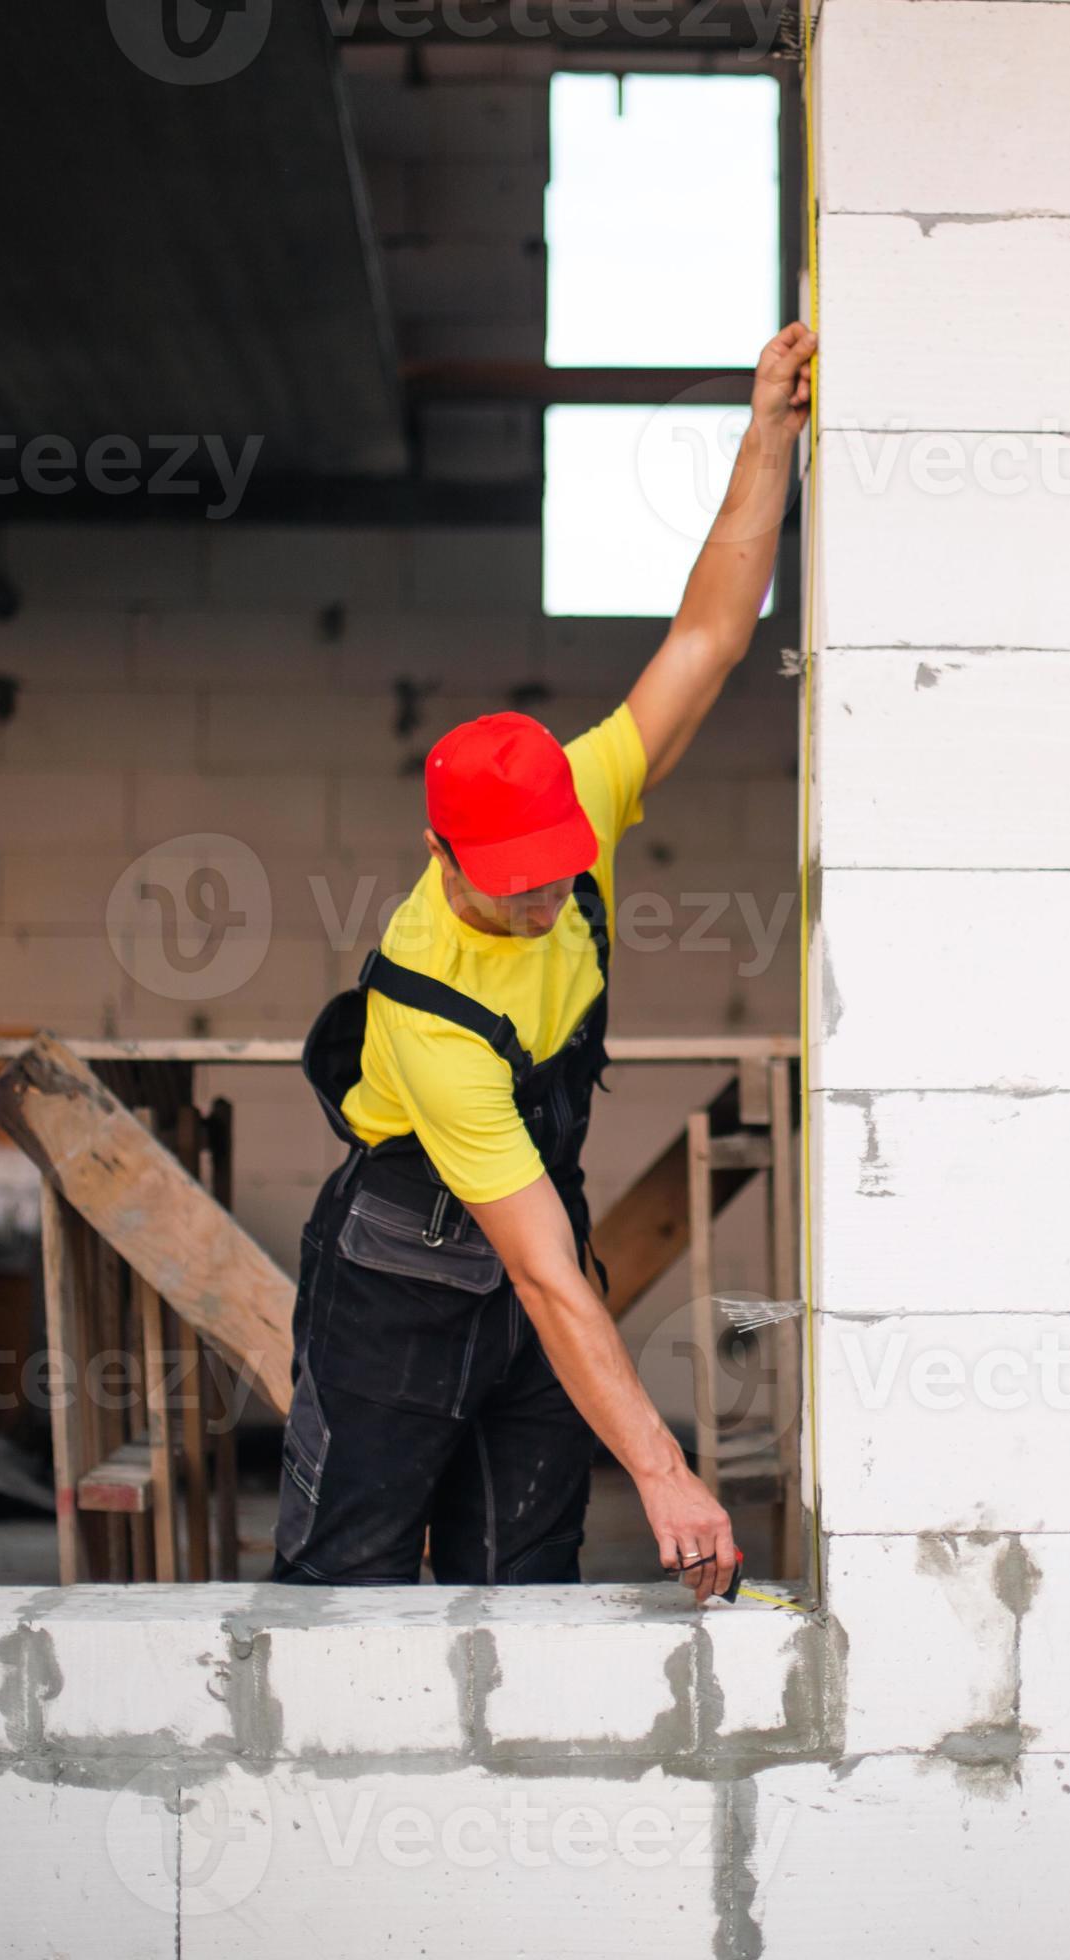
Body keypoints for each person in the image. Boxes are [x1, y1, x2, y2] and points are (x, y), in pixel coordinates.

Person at [279, 323, 816, 1600]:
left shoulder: (573, 804)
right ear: (442, 851)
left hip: (538, 1257)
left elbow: (709, 638)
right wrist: (665, 1466)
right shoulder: (431, 1010)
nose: (537, 906)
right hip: (404, 1277)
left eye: (552, 874)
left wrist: (767, 435)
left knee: (528, 1578)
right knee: (343, 1592)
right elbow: (538, 1274)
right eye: (509, 887)